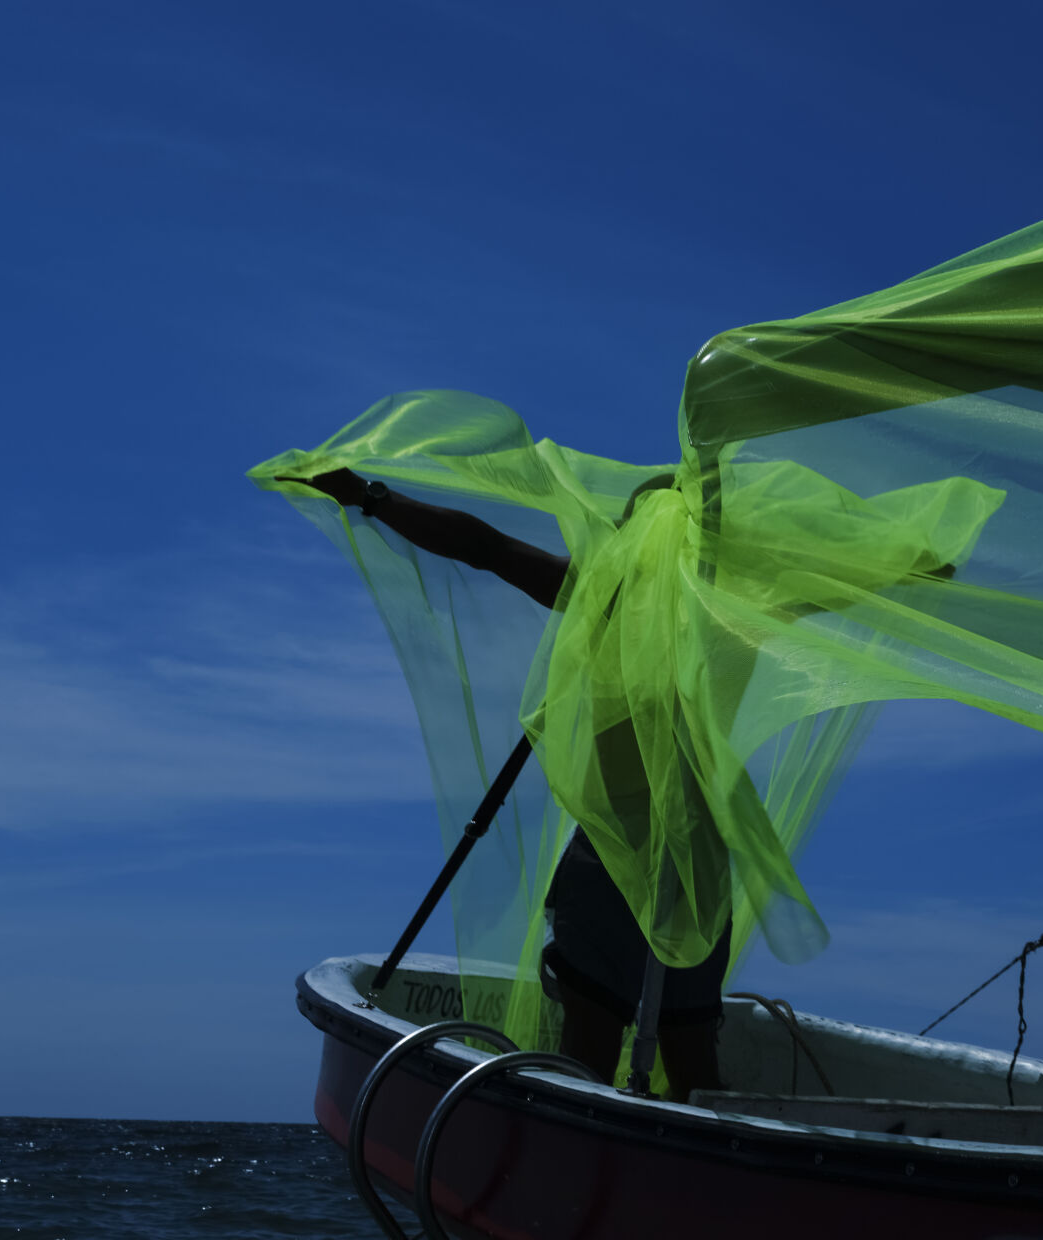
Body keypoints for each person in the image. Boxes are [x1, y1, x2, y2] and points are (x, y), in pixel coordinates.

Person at [290, 467, 729, 1103]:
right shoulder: (701, 608)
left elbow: (486, 547)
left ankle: (586, 1179)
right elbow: (484, 546)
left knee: (596, 1056)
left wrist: (369, 497)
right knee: (685, 1067)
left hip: (651, 861)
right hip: (671, 861)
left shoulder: (627, 597)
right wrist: (369, 497)